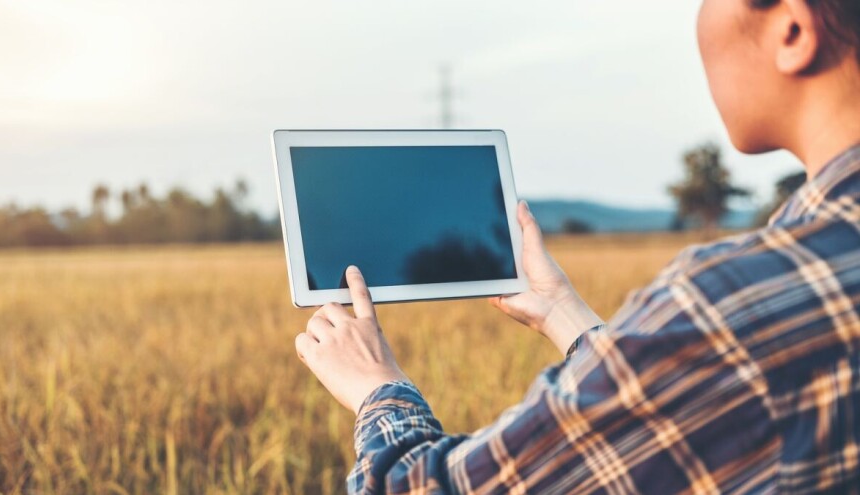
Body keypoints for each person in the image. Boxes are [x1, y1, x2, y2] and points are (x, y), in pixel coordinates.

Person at [294, 0, 860, 492]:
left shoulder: (736, 307)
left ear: (792, 29)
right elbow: (691, 410)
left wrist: (378, 388)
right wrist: (563, 312)